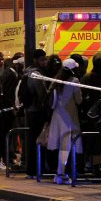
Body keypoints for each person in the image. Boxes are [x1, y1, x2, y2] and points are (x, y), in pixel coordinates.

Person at [47, 58, 83, 184]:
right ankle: (61, 174)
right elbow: (79, 100)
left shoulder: (56, 81)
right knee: (66, 147)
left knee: (61, 146)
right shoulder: (75, 81)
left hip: (57, 116)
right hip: (69, 117)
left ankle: (60, 172)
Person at [21, 49, 49, 178]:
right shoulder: (36, 75)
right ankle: (36, 169)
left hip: (30, 110)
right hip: (36, 111)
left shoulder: (27, 73)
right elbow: (42, 94)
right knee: (38, 141)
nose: (45, 62)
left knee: (32, 141)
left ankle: (32, 169)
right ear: (35, 60)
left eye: (45, 59)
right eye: (42, 59)